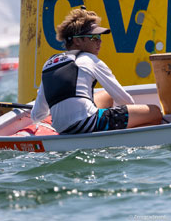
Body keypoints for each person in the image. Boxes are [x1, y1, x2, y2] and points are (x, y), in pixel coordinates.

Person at [31, 7, 162, 135]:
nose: (99, 42)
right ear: (77, 40)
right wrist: (138, 115)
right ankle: (120, 138)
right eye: (93, 38)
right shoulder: (90, 59)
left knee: (106, 95)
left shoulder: (49, 64)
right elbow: (125, 101)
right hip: (86, 124)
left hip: (63, 129)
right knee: (155, 112)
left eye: (99, 37)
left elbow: (37, 115)